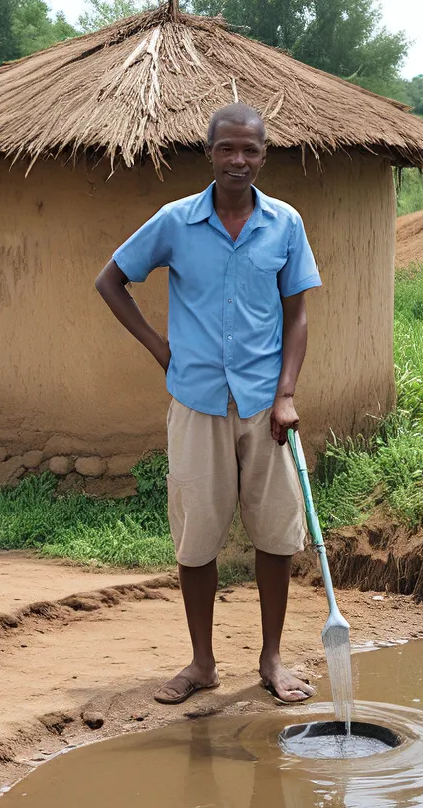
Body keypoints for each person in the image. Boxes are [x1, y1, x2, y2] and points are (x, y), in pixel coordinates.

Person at [95, 102, 321, 705]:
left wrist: (287, 394)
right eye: (227, 148)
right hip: (196, 401)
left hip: (264, 407)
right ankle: (201, 663)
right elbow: (110, 281)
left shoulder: (285, 225)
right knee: (196, 539)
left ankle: (271, 660)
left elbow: (297, 315)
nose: (238, 160)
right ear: (209, 153)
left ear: (264, 156)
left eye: (250, 150)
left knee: (276, 535)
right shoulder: (175, 221)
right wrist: (160, 350)